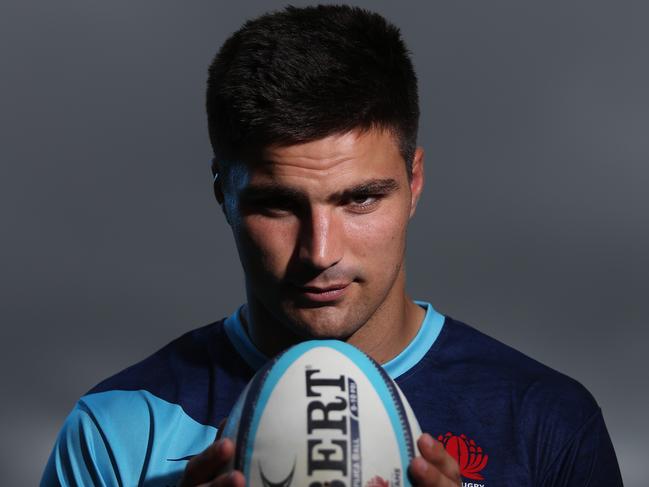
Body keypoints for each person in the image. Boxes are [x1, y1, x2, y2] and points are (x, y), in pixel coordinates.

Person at [41, 5, 623, 487]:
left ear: (413, 183)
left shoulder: (546, 421)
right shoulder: (116, 430)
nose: (320, 252)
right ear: (224, 193)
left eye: (360, 199)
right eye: (279, 205)